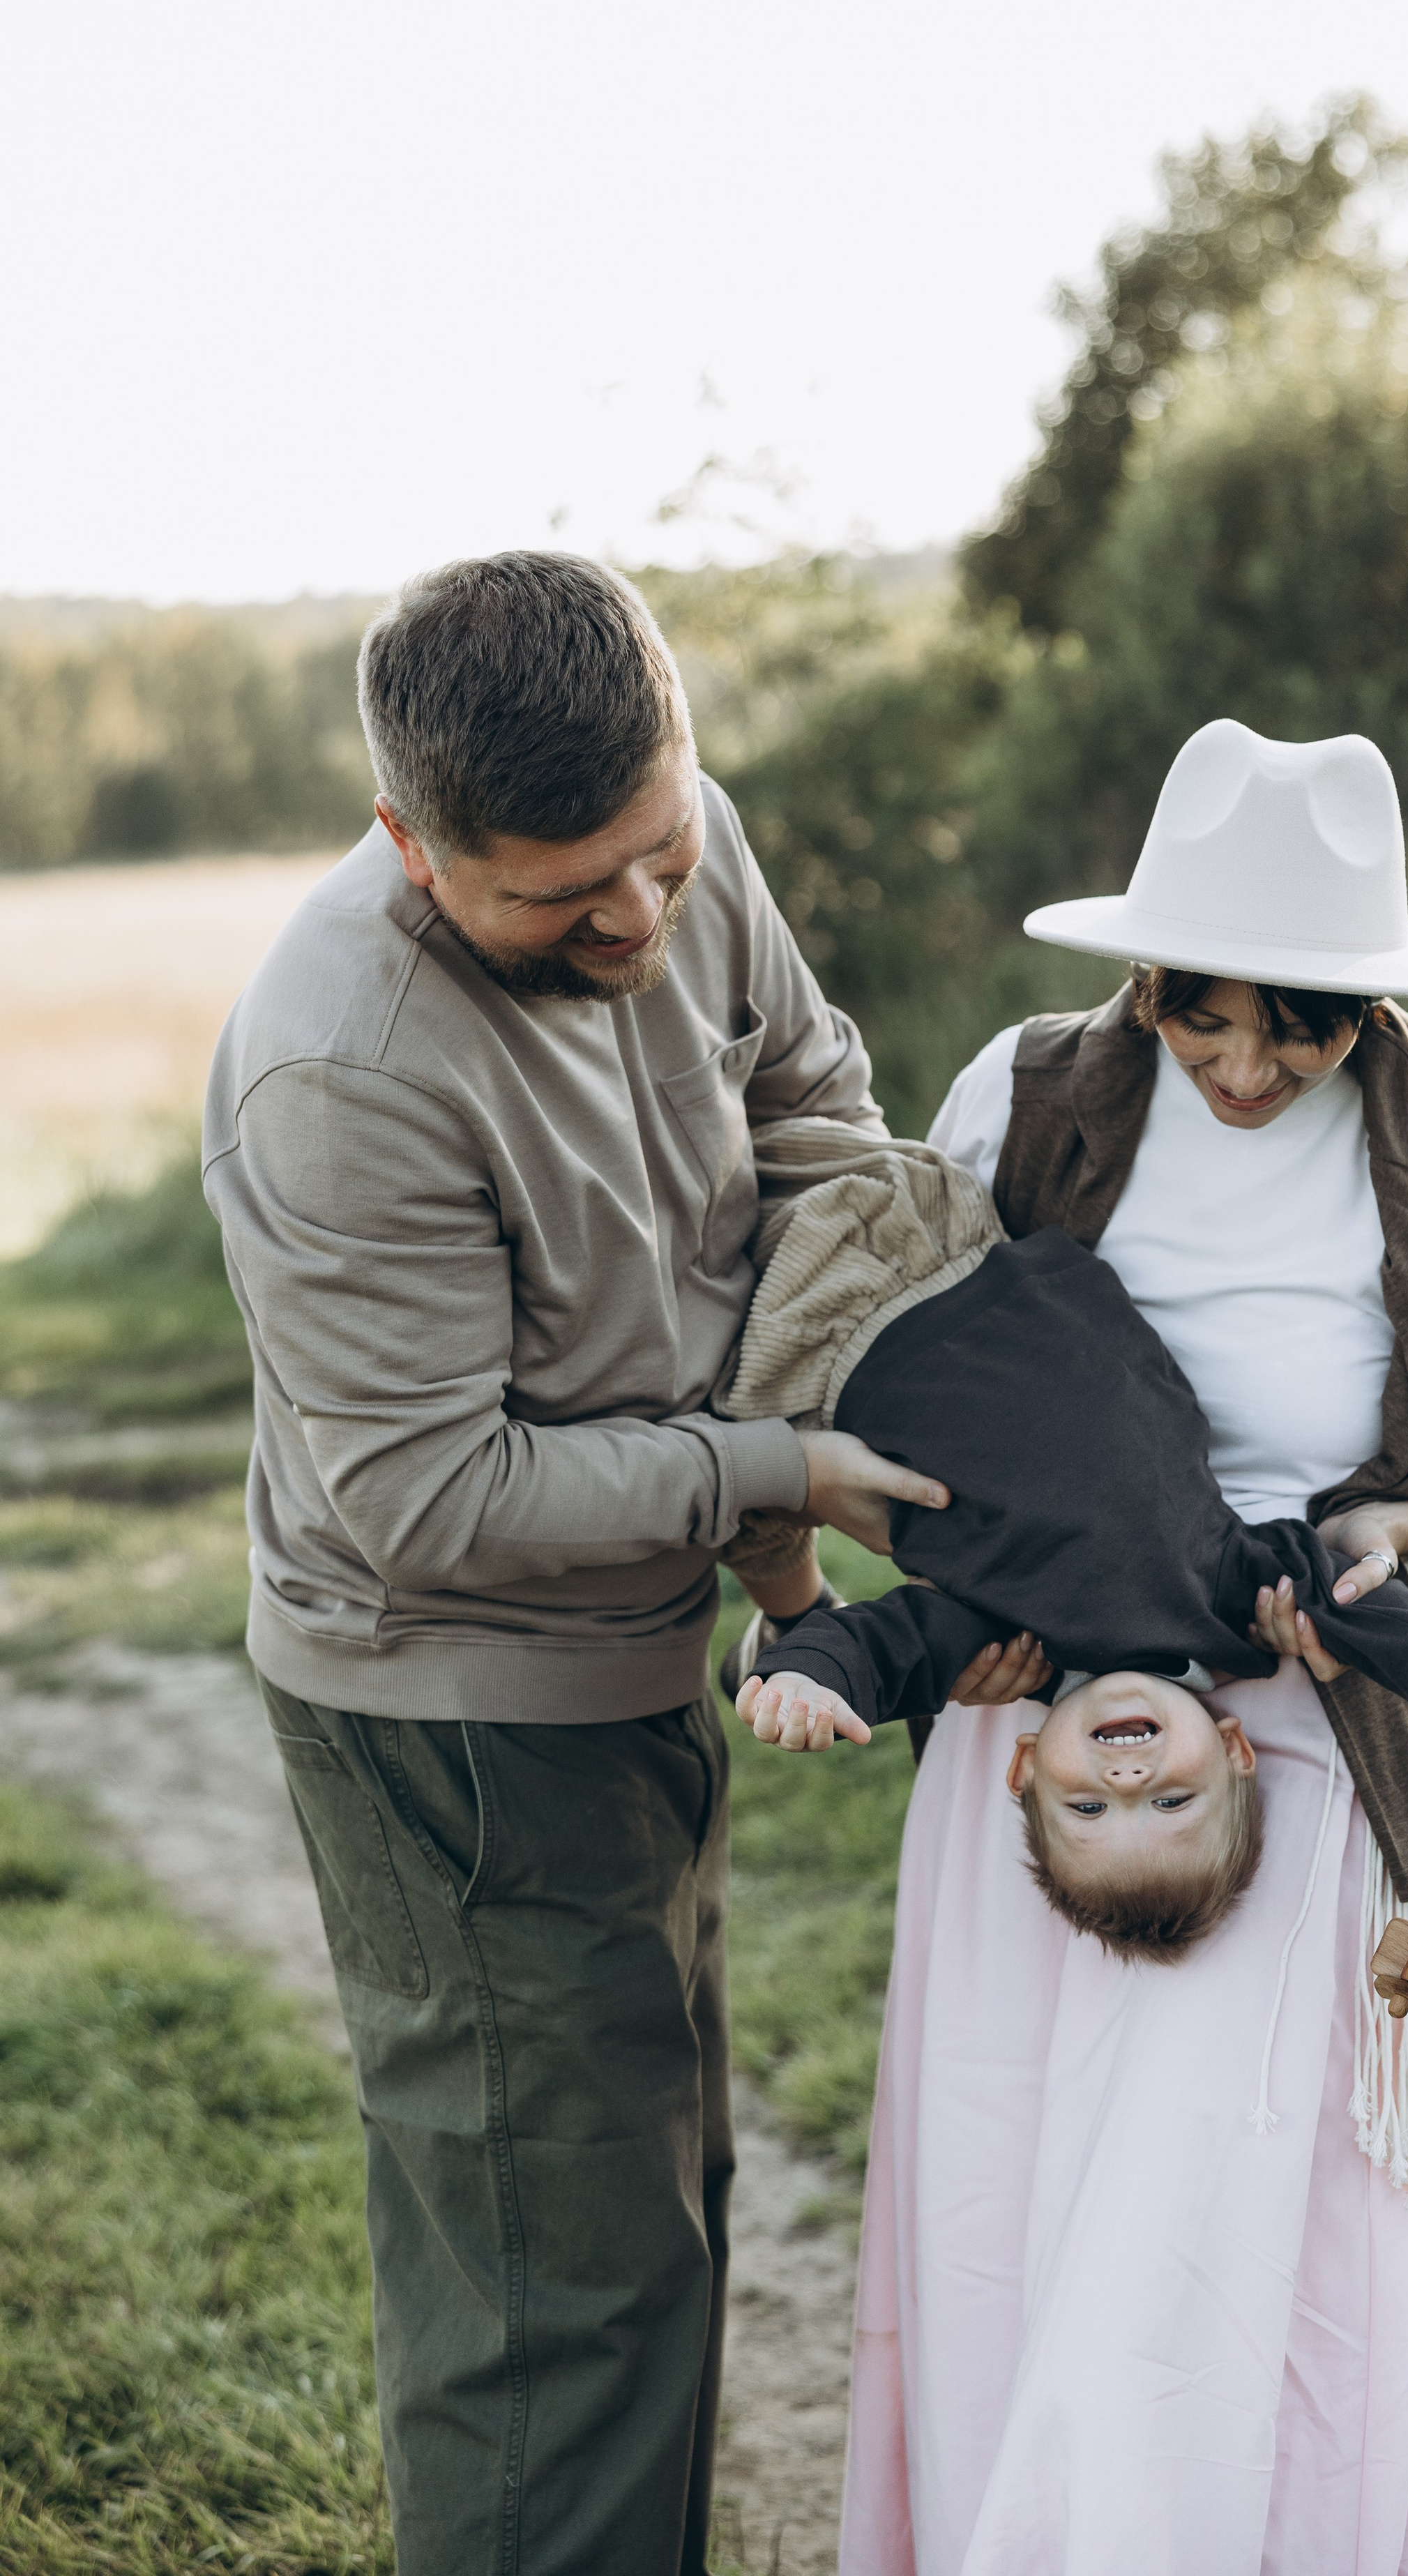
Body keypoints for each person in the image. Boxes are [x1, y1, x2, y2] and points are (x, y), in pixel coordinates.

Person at [200, 552, 967, 2576]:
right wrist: (776, 1462)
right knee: (564, 2298)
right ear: (413, 845)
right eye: (565, 892)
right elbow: (430, 1501)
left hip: (639, 1653)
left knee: (656, 2207)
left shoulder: (671, 838)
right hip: (455, 1723)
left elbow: (813, 1097)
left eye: (663, 850)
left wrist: (827, 1404)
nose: (642, 917)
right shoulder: (339, 1068)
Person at [834, 719, 1408, 2574]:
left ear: (1369, 1004)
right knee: (1007, 2199)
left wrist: (1407, 1529)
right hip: (1044, 1734)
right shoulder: (1033, 1094)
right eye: (1205, 1016)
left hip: (1307, 1742)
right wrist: (940, 1586)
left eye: (1305, 1023)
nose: (1250, 1065)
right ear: (1146, 977)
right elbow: (892, 1369)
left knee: (1213, 2234)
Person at [696, 1121, 1408, 1954]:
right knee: (761, 1067)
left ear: (1025, 1766)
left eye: (1087, 1805)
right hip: (948, 1228)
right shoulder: (1242, 1600)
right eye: (1170, 1798)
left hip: (814, 1318)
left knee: (675, 1136)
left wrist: (804, 1681)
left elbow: (874, 1645)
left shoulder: (999, 1643)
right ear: (1234, 1752)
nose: (1126, 1777)